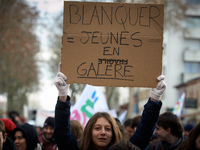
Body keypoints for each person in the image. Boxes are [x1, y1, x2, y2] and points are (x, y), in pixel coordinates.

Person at [53, 71, 166, 150]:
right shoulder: (77, 148)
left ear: (114, 132)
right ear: (89, 131)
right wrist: (62, 96)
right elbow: (62, 132)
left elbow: (144, 132)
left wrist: (154, 98)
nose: (103, 132)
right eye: (97, 128)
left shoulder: (125, 149)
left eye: (108, 129)